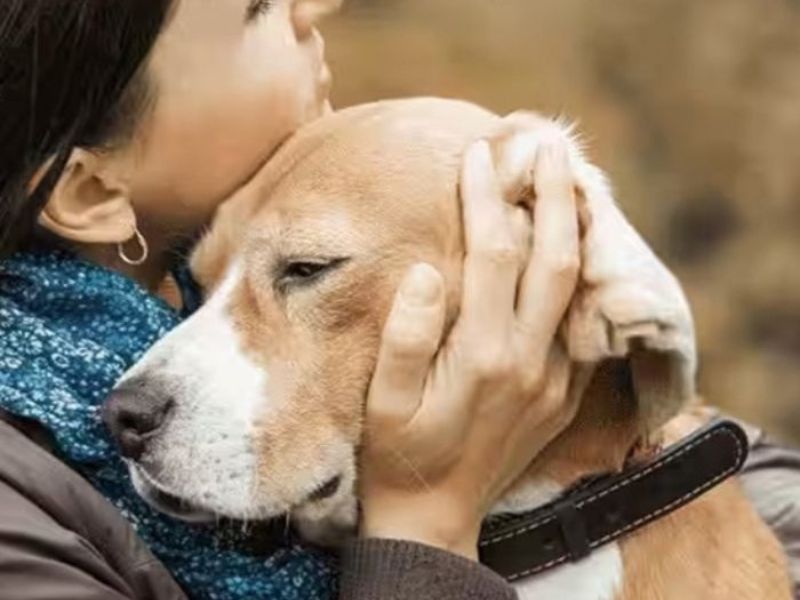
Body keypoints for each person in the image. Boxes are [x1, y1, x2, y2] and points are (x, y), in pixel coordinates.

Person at [0, 2, 797, 600]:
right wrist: (424, 524)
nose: (318, 5)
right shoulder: (23, 518)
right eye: (254, 8)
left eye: (303, 269)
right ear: (93, 186)